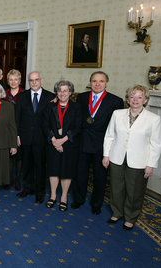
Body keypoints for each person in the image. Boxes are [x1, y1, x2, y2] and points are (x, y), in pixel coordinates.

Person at [103, 85, 161, 230]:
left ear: (145, 100)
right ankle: (117, 212)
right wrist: (106, 155)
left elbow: (156, 144)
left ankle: (130, 217)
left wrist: (151, 164)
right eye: (132, 97)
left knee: (134, 190)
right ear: (128, 99)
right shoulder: (117, 114)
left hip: (139, 161)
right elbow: (109, 135)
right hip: (117, 157)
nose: (135, 100)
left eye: (139, 97)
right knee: (116, 187)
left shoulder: (154, 119)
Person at [72, 71, 123, 214]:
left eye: (101, 81)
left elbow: (116, 127)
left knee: (100, 176)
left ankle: (96, 203)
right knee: (80, 173)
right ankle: (79, 199)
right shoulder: (81, 97)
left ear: (106, 83)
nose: (97, 84)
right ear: (90, 83)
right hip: (82, 142)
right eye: (94, 81)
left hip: (102, 144)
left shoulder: (115, 101)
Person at [15, 71, 56, 204]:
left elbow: (52, 119)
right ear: (28, 82)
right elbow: (17, 117)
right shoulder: (22, 96)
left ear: (41, 80)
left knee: (40, 166)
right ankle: (27, 188)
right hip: (25, 137)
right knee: (26, 165)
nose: (34, 82)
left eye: (36, 80)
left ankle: (40, 192)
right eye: (31, 80)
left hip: (42, 138)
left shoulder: (50, 97)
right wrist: (17, 135)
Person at [43, 80, 82, 212]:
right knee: (53, 169)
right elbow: (45, 125)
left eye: (65, 90)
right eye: (59, 90)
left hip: (69, 145)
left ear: (70, 92)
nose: (62, 93)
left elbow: (78, 127)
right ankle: (53, 195)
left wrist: (63, 140)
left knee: (67, 170)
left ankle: (64, 196)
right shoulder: (50, 106)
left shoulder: (76, 107)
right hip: (52, 143)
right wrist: (54, 140)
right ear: (56, 93)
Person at [4, 69, 24, 191]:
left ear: (20, 81)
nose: (13, 82)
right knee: (8, 157)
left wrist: (19, 135)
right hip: (6, 130)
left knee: (19, 158)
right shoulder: (4, 94)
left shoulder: (25, 95)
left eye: (15, 79)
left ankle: (17, 180)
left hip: (20, 129)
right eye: (11, 79)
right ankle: (8, 179)